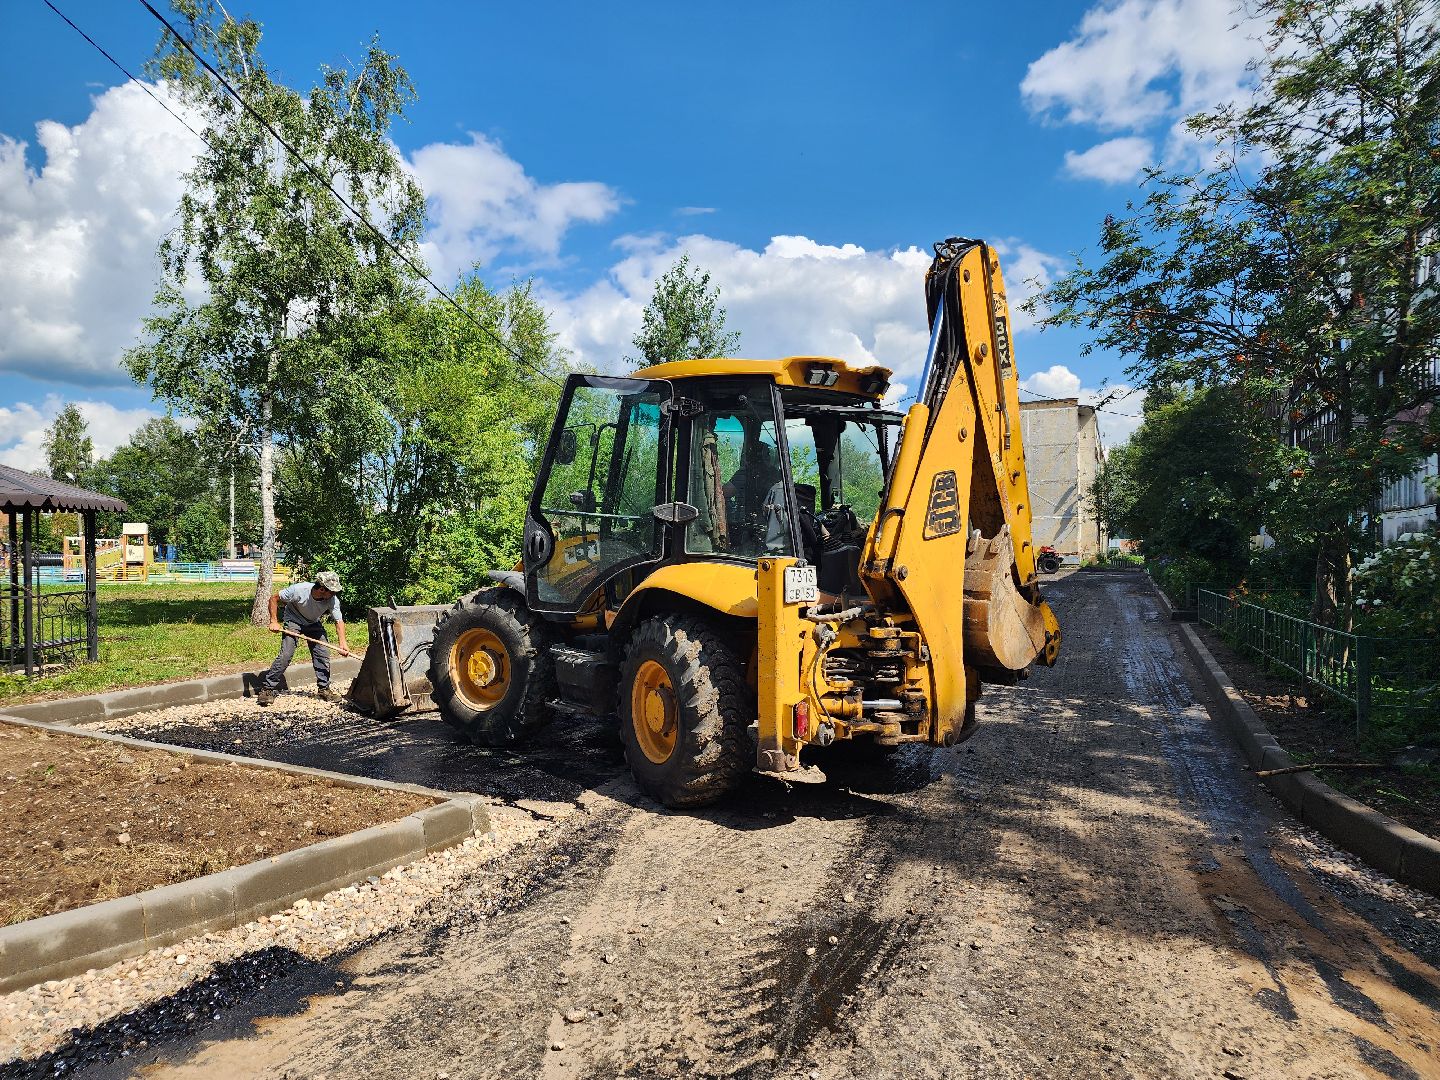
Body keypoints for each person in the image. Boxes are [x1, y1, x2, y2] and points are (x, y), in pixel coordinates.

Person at [257, 570, 349, 706]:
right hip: (293, 620)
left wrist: (343, 643)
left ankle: (324, 689)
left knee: (322, 653)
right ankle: (267, 689)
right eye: (332, 591)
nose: (334, 594)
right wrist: (274, 621)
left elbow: (339, 621)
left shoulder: (332, 600)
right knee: (286, 654)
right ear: (322, 589)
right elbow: (273, 599)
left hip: (313, 623)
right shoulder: (299, 590)